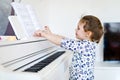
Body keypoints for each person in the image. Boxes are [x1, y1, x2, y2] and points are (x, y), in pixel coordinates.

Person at [34, 15, 104, 80]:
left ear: (88, 34)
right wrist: (51, 34)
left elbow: (62, 42)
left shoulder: (84, 46)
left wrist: (44, 35)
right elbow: (65, 39)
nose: (75, 29)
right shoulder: (87, 44)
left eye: (78, 28)